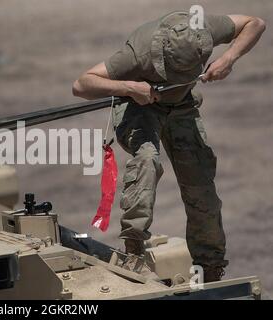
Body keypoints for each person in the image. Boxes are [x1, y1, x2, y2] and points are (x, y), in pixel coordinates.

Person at [72, 11, 265, 282]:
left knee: (201, 184)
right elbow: (81, 85)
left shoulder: (204, 29)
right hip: (140, 107)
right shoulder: (138, 52)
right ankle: (134, 250)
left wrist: (228, 59)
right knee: (147, 161)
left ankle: (210, 267)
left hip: (182, 106)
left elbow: (255, 23)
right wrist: (128, 87)